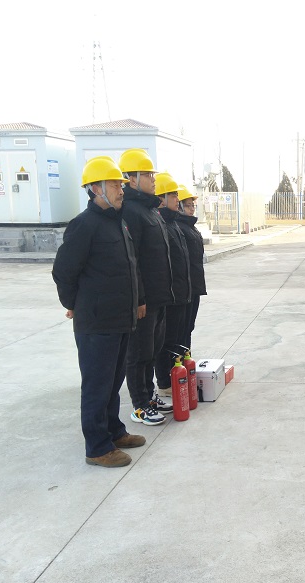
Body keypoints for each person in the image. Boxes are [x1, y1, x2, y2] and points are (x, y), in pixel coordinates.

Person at [52, 156, 146, 467]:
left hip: (119, 319)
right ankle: (97, 447)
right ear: (95, 189)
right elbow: (63, 271)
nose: (121, 190)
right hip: (96, 322)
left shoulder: (118, 222)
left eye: (121, 184)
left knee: (113, 382)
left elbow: (130, 267)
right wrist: (73, 304)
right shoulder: (84, 225)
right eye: (115, 184)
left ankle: (114, 432)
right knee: (97, 385)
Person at [119, 148, 174, 425]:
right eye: (148, 175)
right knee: (139, 353)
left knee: (152, 350)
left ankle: (149, 395)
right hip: (144, 299)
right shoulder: (130, 211)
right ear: (132, 179)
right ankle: (139, 404)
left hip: (159, 295)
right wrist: (139, 298)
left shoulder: (150, 210)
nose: (153, 179)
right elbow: (133, 259)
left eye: (153, 174)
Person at [152, 173, 193, 397]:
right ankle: (165, 382)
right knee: (166, 341)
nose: (178, 199)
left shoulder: (173, 223)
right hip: (170, 295)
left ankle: (177, 373)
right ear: (161, 198)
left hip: (182, 291)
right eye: (173, 195)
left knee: (179, 336)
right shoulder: (161, 225)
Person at [176, 185, 207, 352]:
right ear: (179, 206)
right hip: (186, 287)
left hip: (194, 285)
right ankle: (181, 359)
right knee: (182, 328)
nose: (192, 209)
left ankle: (186, 357)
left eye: (192, 205)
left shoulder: (190, 226)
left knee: (189, 327)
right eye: (188, 205)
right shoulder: (179, 227)